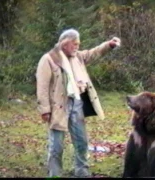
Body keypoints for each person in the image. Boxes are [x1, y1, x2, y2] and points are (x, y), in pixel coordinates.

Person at [36, 28, 121, 177]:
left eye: (78, 44)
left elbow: (94, 53)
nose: (77, 47)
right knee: (57, 145)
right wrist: (45, 109)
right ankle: (55, 174)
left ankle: (82, 171)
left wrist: (109, 45)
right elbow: (42, 86)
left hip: (77, 103)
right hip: (58, 107)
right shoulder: (48, 59)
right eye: (74, 44)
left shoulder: (78, 57)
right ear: (64, 44)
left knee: (81, 141)